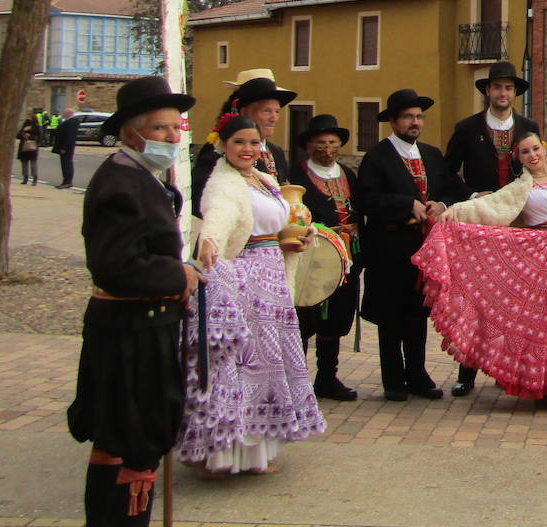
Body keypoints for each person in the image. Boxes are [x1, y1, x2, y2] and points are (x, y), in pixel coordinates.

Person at [416, 131, 547, 419]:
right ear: (519, 157)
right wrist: (454, 211)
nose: (533, 155)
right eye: (525, 152)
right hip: (541, 256)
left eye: (535, 148)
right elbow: (489, 206)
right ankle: (545, 387)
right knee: (545, 323)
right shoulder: (518, 188)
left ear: (544, 147)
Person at [67, 76, 198, 527]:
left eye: (174, 128)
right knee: (125, 439)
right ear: (130, 132)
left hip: (144, 326)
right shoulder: (121, 182)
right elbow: (114, 265)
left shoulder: (143, 176)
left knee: (129, 439)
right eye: (160, 129)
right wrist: (178, 273)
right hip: (129, 333)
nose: (171, 137)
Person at [177, 115, 326, 475]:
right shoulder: (223, 183)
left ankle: (257, 454)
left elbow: (276, 227)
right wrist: (210, 240)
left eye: (254, 143)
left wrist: (296, 239)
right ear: (222, 146)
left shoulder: (265, 180)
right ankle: (222, 456)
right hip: (244, 283)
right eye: (239, 142)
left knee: (268, 369)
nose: (248, 149)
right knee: (242, 370)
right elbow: (219, 215)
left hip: (271, 280)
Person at [353, 89, 464, 402]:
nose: (415, 122)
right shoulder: (378, 156)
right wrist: (405, 206)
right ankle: (392, 378)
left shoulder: (432, 155)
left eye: (419, 117)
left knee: (417, 314)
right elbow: (366, 199)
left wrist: (441, 204)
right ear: (393, 121)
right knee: (391, 316)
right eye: (408, 117)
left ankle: (417, 373)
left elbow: (454, 189)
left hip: (425, 249)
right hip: (389, 248)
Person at [443, 59, 540, 396]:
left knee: (516, 301)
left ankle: (507, 369)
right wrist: (472, 196)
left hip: (518, 225)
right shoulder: (468, 128)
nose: (502, 93)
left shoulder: (529, 128)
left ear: (515, 92)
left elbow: (539, 172)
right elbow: (445, 174)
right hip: (480, 226)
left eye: (508, 87)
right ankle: (466, 372)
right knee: (475, 299)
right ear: (487, 91)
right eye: (497, 87)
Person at [294, 114, 362, 401]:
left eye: (332, 142)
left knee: (336, 318)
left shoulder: (348, 174)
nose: (327, 148)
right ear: (310, 145)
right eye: (321, 142)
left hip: (348, 258)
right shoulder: (297, 176)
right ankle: (297, 382)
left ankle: (326, 378)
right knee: (306, 318)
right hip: (313, 259)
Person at [191, 69, 296, 218]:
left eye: (277, 112)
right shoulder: (217, 150)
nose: (274, 118)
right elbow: (202, 204)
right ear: (244, 112)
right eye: (266, 111)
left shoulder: (276, 152)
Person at [52, 105, 80, 188]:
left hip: (66, 148)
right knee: (65, 164)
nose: (63, 114)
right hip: (64, 147)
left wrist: (64, 148)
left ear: (69, 113)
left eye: (65, 113)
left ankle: (67, 182)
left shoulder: (71, 122)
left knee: (67, 164)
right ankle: (65, 181)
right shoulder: (68, 121)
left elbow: (70, 137)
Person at [16, 114, 41, 185]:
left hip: (33, 147)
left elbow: (40, 137)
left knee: (33, 163)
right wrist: (23, 133)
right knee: (24, 163)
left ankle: (34, 178)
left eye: (29, 117)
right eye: (27, 117)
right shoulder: (24, 125)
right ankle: (25, 177)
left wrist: (31, 136)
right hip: (24, 146)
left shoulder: (36, 126)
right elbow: (18, 136)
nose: (28, 118)